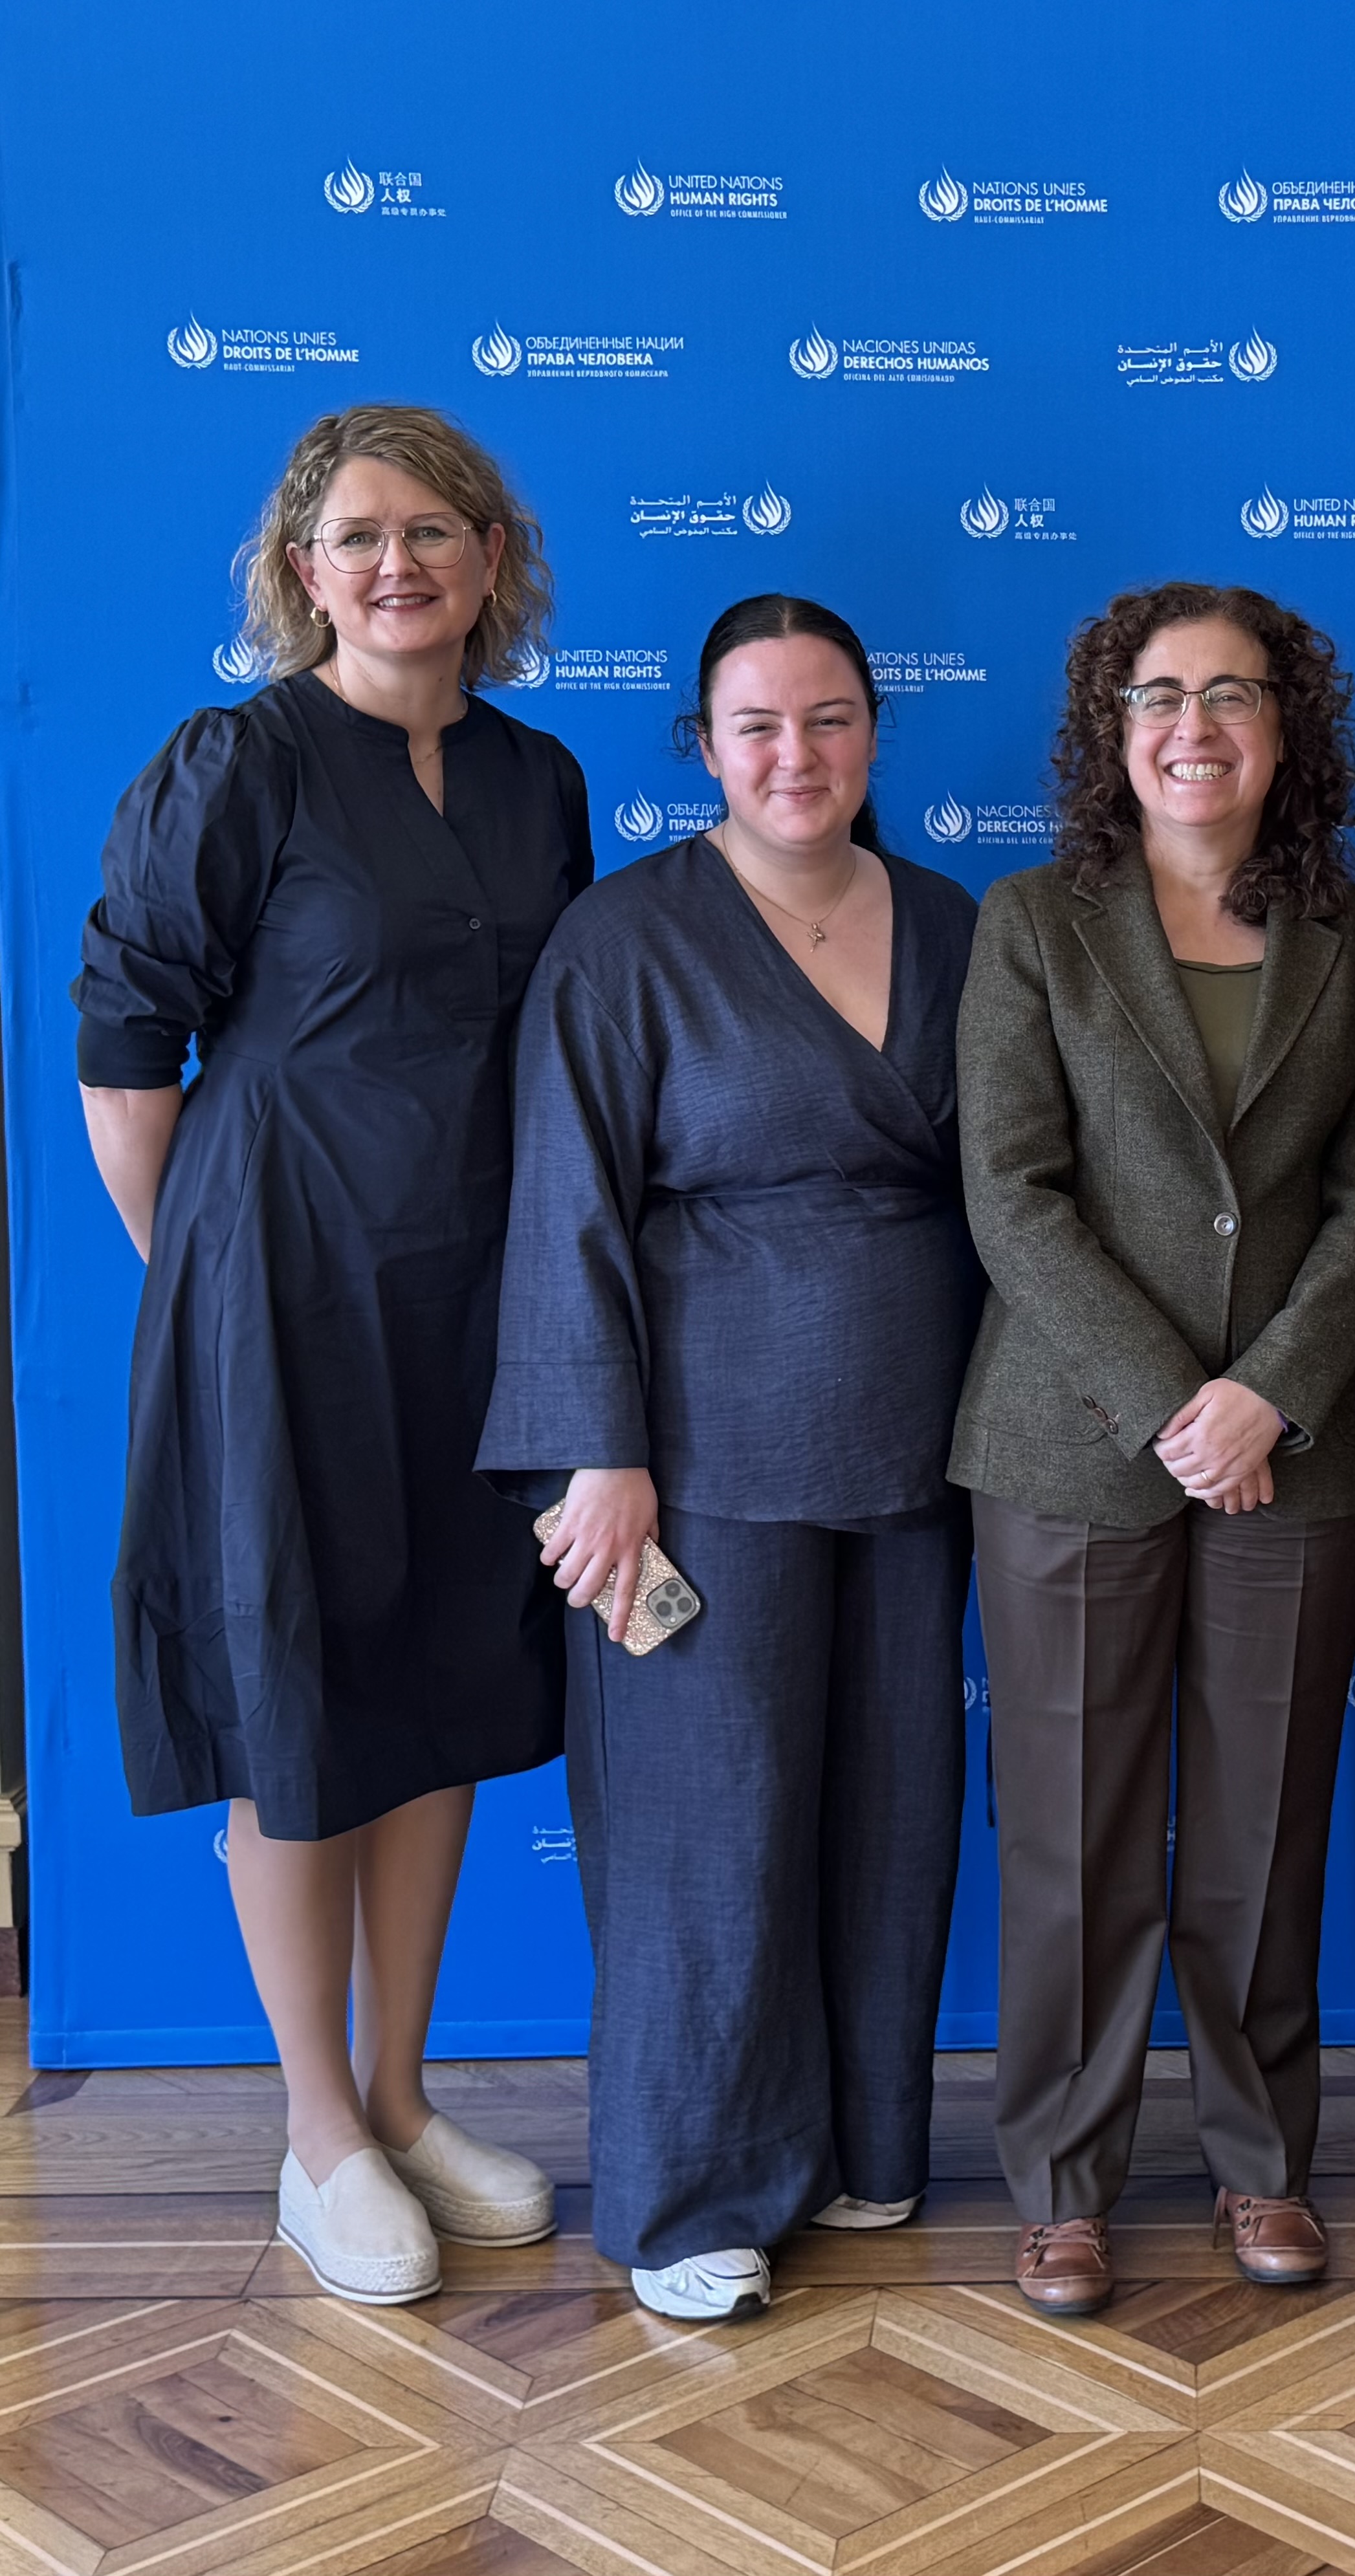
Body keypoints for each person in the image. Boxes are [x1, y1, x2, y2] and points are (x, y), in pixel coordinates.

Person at [72, 405, 584, 2305]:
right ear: (305, 571)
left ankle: (400, 2094)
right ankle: (315, 2135)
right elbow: (127, 1053)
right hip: (274, 1297)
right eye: (358, 534)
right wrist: (207, 1283)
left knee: (438, 1681)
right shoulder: (240, 761)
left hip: (480, 1302)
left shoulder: (538, 778)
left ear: (490, 560)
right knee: (290, 1694)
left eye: (433, 530)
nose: (397, 564)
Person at [476, 596, 980, 2322]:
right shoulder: (624, 938)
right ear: (702, 746)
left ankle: (857, 2143)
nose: (795, 755)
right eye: (756, 725)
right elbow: (565, 1207)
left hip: (923, 1446)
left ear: (873, 732)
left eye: (828, 719)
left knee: (892, 1807)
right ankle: (694, 2192)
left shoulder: (952, 922)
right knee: (709, 1828)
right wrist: (593, 1454)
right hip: (696, 1462)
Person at [954, 581, 1355, 2317]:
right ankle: (1061, 2185)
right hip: (1072, 1442)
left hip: (1298, 1447)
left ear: (1287, 733)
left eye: (1233, 695)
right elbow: (1012, 1191)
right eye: (1159, 695)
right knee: (1069, 1834)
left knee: (1261, 1829)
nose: (1194, 727)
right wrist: (1172, 1399)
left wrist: (1266, 1391)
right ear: (1112, 728)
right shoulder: (1034, 922)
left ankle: (1260, 2163)